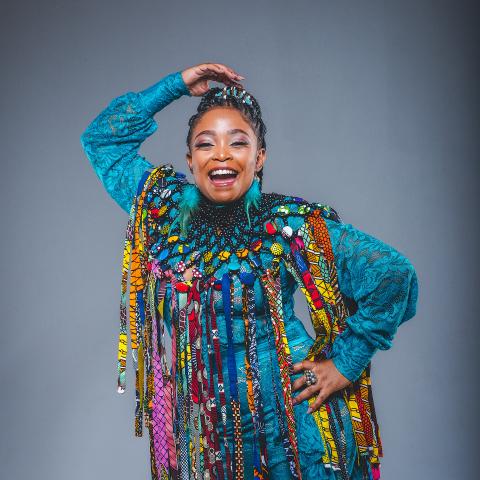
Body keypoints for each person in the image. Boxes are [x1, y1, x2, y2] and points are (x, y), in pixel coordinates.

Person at [80, 62, 419, 480]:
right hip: (211, 440)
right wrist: (176, 85)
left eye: (237, 143)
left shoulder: (286, 224)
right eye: (206, 144)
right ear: (190, 160)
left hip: (292, 433)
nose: (221, 153)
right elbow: (103, 141)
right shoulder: (163, 209)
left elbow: (392, 275)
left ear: (259, 158)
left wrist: (346, 363)